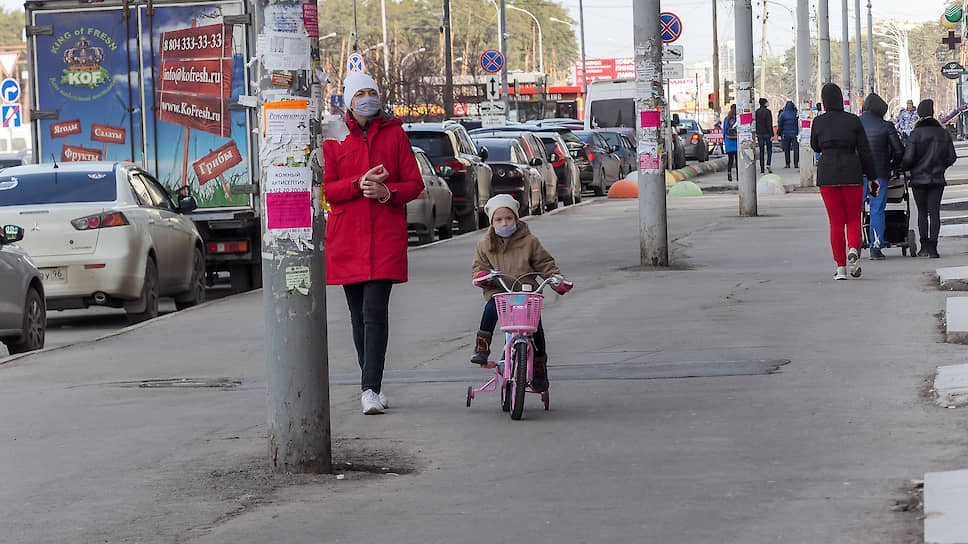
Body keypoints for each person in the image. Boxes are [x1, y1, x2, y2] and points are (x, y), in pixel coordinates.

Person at [322, 71, 424, 414]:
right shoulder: (334, 136)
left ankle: (369, 388)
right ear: (349, 101)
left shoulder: (394, 135)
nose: (368, 98)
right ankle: (371, 383)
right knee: (357, 317)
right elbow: (329, 189)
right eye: (360, 93)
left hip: (383, 237)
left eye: (371, 92)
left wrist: (386, 191)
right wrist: (357, 183)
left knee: (374, 312)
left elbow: (414, 184)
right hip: (347, 239)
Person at [470, 194, 573, 393]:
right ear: (492, 222)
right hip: (499, 290)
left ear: (516, 219)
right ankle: (482, 345)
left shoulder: (530, 241)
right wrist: (483, 277)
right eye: (498, 220)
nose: (504, 223)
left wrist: (556, 280)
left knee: (536, 330)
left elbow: (545, 264)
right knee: (490, 308)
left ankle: (539, 367)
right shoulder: (485, 244)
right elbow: (478, 268)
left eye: (509, 218)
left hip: (526, 293)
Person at [810, 83, 877, 280]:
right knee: (854, 218)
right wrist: (872, 177)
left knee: (836, 222)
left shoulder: (818, 122)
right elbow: (864, 150)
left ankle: (840, 268)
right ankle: (854, 250)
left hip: (827, 174)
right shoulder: (853, 121)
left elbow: (815, 146)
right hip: (851, 173)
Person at [901, 99, 957, 258]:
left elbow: (909, 158)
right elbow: (951, 157)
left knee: (922, 212)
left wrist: (904, 168)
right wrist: (941, 167)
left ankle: (924, 245)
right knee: (934, 213)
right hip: (937, 180)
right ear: (932, 113)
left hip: (918, 180)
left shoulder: (915, 134)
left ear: (919, 114)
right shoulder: (943, 133)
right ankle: (933, 247)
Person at [859, 93, 904, 260]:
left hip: (858, 175)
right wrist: (892, 166)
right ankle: (875, 248)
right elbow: (899, 150)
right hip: (879, 176)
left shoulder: (855, 124)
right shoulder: (886, 126)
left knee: (856, 210)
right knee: (877, 210)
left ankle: (854, 247)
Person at [776, 100, 800, 169]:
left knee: (787, 149)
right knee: (796, 149)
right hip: (795, 134)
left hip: (785, 134)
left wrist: (779, 132)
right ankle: (796, 163)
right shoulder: (796, 113)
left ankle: (787, 163)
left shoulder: (783, 114)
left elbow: (780, 124)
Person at [755, 98, 774, 173]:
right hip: (767, 134)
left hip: (759, 134)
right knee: (769, 149)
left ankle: (762, 168)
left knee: (761, 151)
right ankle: (768, 163)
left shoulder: (757, 112)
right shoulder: (768, 112)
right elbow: (769, 124)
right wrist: (772, 134)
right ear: (765, 103)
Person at [723, 104, 739, 181]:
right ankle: (738, 175)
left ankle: (729, 173)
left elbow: (724, 131)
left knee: (730, 160)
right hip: (736, 141)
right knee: (737, 160)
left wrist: (725, 141)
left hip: (729, 141)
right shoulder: (738, 119)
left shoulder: (726, 118)